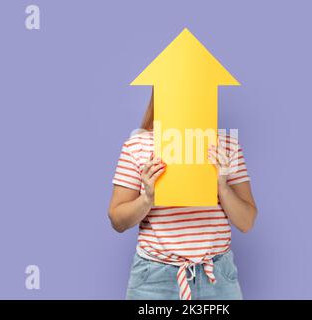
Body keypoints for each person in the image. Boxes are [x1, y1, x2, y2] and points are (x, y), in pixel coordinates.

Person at [108, 89, 258, 300]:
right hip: (154, 279)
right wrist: (147, 199)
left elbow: (247, 222)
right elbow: (117, 221)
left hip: (217, 276)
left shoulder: (227, 146)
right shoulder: (137, 147)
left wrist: (223, 188)